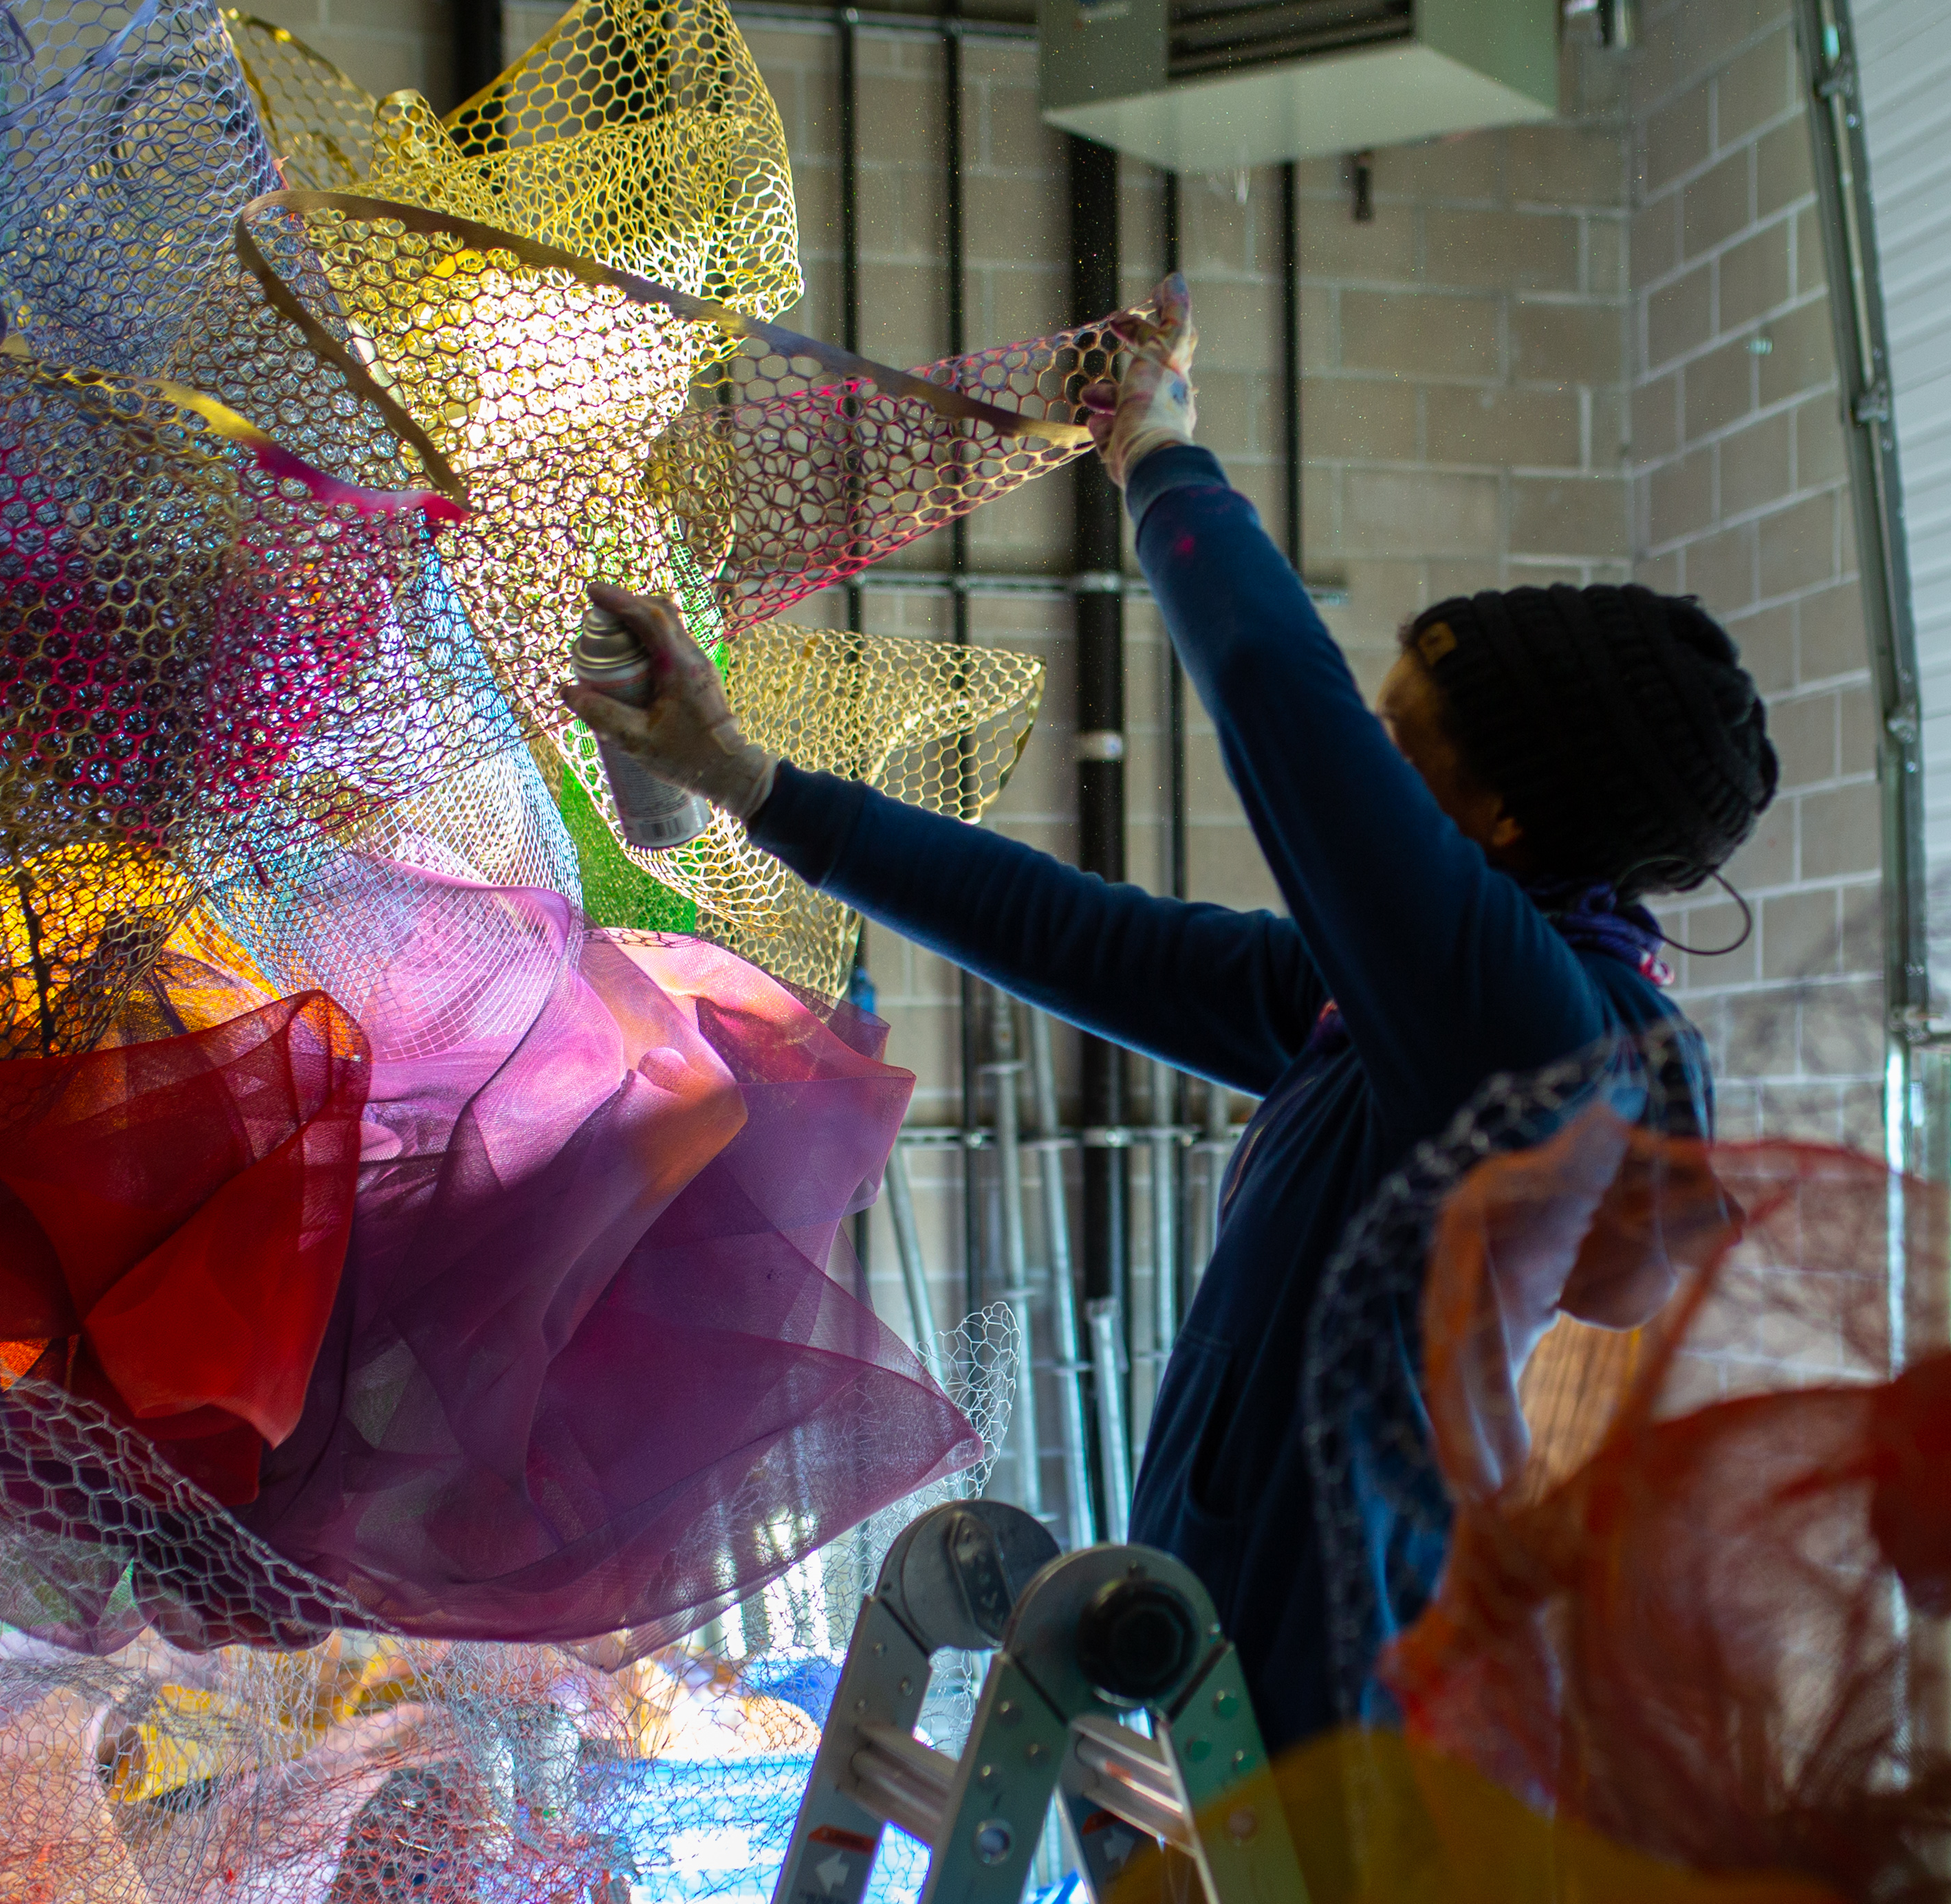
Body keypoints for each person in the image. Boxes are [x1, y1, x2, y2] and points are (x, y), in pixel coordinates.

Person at [563, 275, 1778, 1752]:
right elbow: (1081, 940)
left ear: (1509, 819)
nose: (1371, 785)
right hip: (1245, 1678)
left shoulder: (1527, 1038)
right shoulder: (1397, 1029)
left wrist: (1162, 461)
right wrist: (747, 781)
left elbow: (1281, 701)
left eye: (1408, 757)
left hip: (1371, 1712)